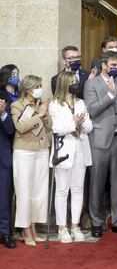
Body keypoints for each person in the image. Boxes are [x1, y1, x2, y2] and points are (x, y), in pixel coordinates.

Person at [83, 51, 117, 238]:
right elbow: (92, 110)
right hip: (99, 139)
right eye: (113, 64)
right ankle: (96, 221)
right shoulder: (91, 83)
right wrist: (111, 95)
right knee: (96, 182)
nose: (116, 67)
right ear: (104, 65)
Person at [49, 71, 93, 243]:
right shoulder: (55, 104)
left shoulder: (81, 103)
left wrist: (82, 124)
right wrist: (73, 123)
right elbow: (57, 128)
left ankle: (75, 225)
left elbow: (89, 126)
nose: (76, 83)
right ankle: (62, 227)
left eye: (76, 80)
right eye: (72, 81)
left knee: (78, 189)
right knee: (62, 190)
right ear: (64, 84)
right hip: (64, 151)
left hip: (81, 148)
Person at [11, 75, 52, 246]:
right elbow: (20, 127)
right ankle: (24, 229)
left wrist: (46, 113)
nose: (40, 89)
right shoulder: (17, 105)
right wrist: (39, 114)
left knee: (39, 191)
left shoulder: (40, 104)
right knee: (24, 190)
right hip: (24, 151)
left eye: (41, 86)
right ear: (27, 89)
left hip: (42, 149)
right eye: (37, 86)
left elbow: (49, 126)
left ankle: (34, 227)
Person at [0, 89, 16, 248]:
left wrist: (3, 113)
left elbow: (11, 130)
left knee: (4, 198)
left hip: (3, 158)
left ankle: (5, 232)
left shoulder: (4, 100)